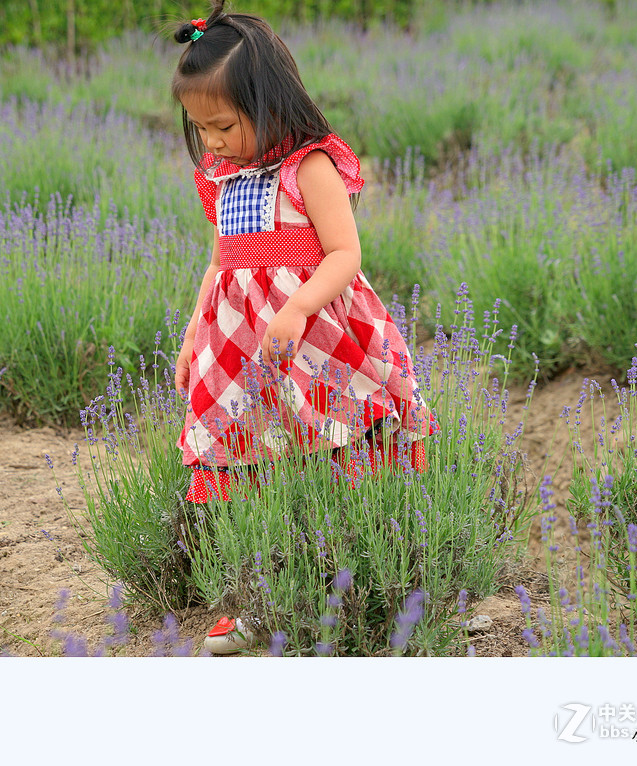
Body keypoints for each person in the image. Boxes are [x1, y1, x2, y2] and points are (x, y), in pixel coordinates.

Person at [171, 2, 435, 654]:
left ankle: (351, 584)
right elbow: (218, 263)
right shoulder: (225, 177)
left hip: (314, 343)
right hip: (238, 350)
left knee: (332, 455)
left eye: (223, 126)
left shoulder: (308, 167)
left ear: (268, 102)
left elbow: (345, 254)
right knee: (249, 468)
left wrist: (294, 308)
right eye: (199, 128)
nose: (211, 142)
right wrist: (190, 336)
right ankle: (263, 597)